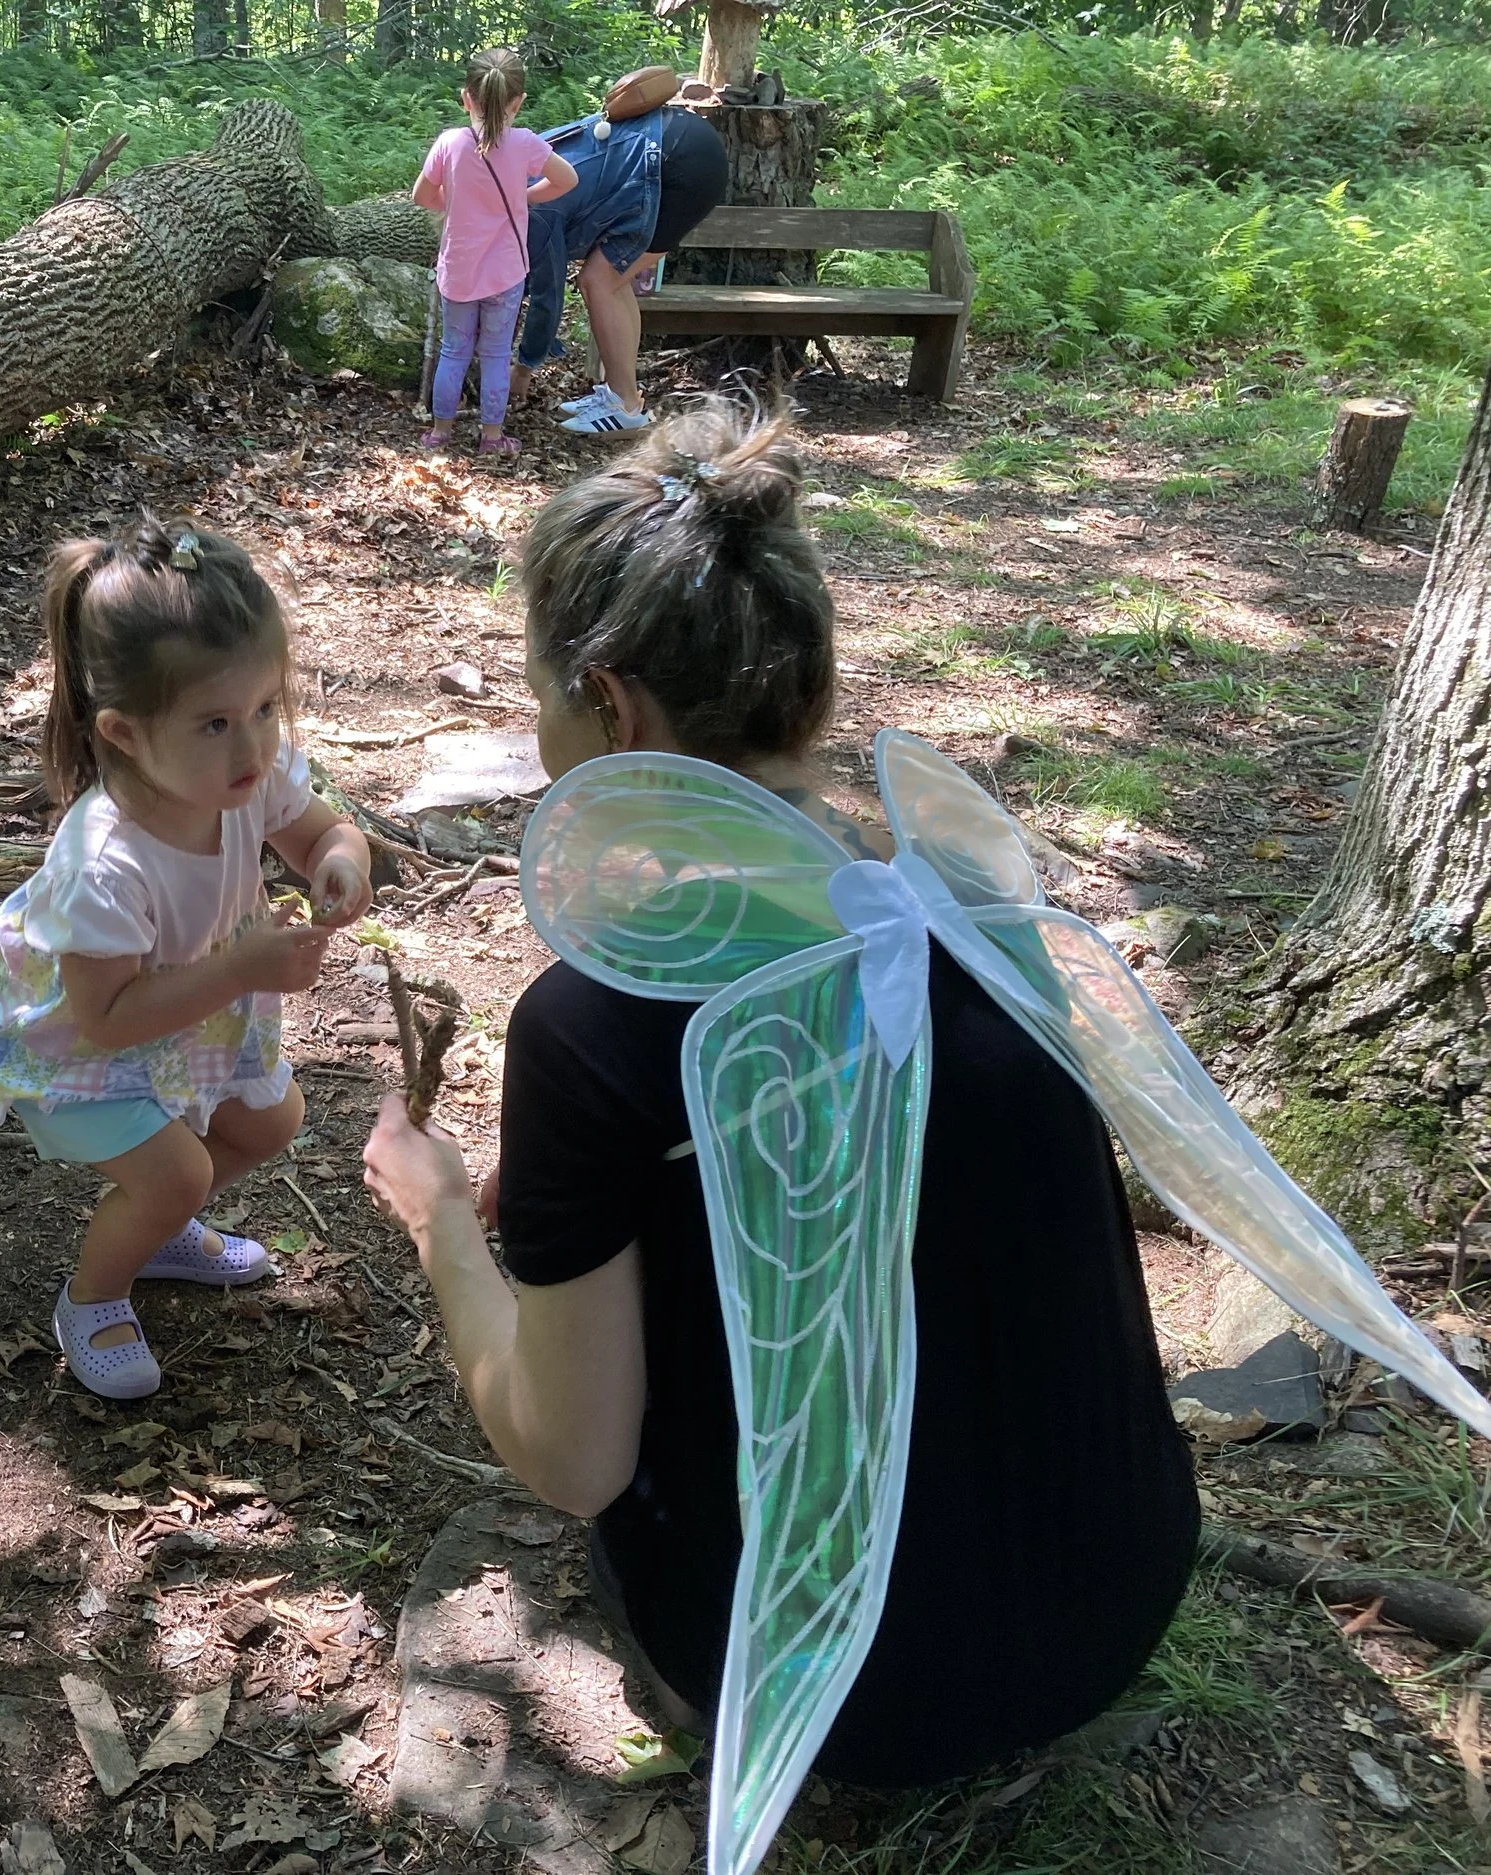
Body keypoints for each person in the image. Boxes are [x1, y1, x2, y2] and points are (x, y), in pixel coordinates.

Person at [359, 402, 1200, 1789]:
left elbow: (572, 1460)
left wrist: (442, 1214)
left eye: (542, 693)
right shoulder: (974, 898)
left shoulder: (594, 1024)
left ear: (615, 702)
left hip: (845, 1693)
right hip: (1116, 1594)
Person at [0, 521, 374, 1400]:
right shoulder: (104, 860)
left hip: (187, 1006)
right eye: (215, 722)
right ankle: (91, 1296)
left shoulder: (244, 776)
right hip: (80, 1041)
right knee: (178, 1171)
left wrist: (339, 861)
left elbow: (322, 827)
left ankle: (163, 1227)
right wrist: (244, 968)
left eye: (266, 709)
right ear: (124, 733)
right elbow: (108, 1017)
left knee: (270, 1121)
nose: (252, 746)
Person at [509, 102, 729, 436]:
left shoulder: (534, 209)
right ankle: (620, 396)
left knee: (598, 280)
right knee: (611, 280)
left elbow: (547, 295)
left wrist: (522, 371)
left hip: (678, 164)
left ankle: (625, 406)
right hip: (681, 140)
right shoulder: (513, 164)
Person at [409, 48, 576, 458]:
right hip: (506, 273)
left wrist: (455, 202)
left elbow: (421, 195)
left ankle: (440, 434)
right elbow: (567, 179)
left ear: (466, 98)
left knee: (454, 350)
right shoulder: (525, 144)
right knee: (497, 354)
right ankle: (492, 437)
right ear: (517, 102)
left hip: (458, 270)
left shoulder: (449, 143)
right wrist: (526, 196)